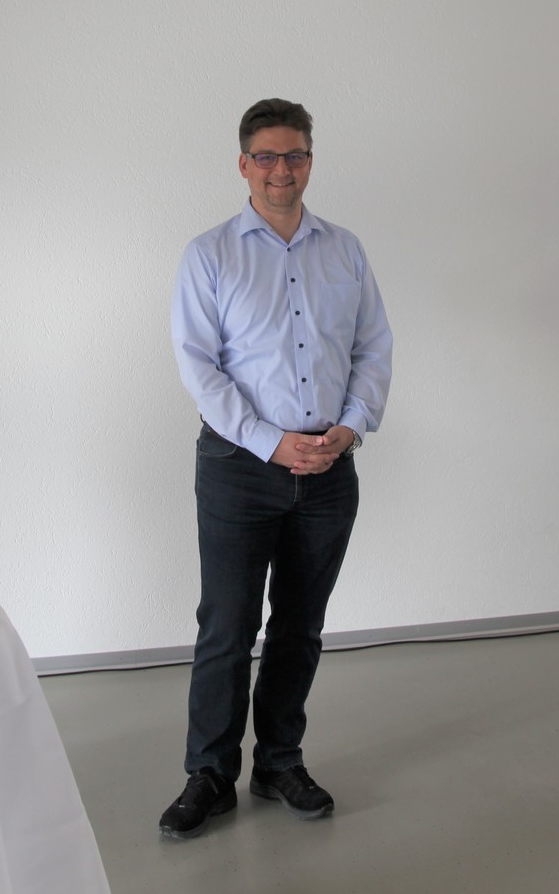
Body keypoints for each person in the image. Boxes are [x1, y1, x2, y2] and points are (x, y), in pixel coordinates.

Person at [157, 98, 393, 840]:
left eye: (294, 155)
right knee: (227, 625)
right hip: (239, 467)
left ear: (310, 162)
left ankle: (279, 761)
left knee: (300, 625)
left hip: (329, 466)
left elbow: (373, 347)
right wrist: (270, 442)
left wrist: (350, 425)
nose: (281, 169)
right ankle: (209, 773)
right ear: (243, 164)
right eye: (266, 156)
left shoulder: (345, 250)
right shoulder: (210, 254)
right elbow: (200, 367)